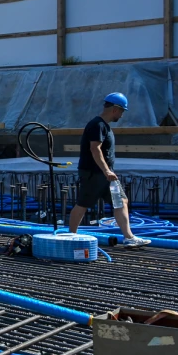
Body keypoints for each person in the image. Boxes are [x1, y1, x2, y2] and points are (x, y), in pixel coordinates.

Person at [69, 93, 150, 246]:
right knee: (83, 204)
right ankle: (70, 236)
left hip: (104, 175)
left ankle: (129, 238)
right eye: (122, 111)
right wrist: (106, 170)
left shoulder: (103, 126)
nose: (122, 115)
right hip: (95, 173)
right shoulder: (97, 125)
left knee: (121, 201)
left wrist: (107, 172)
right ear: (115, 109)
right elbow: (95, 149)